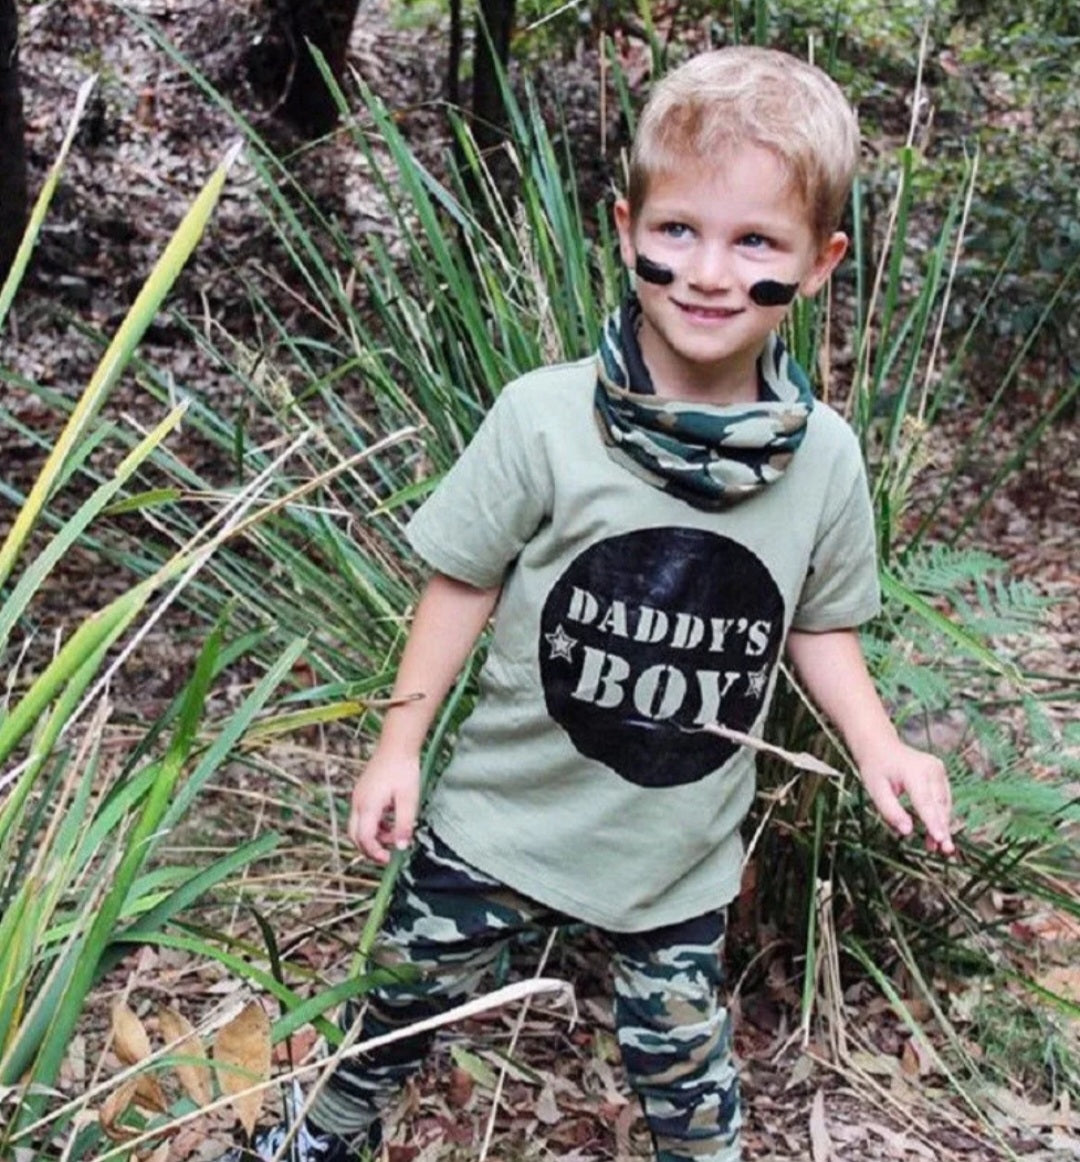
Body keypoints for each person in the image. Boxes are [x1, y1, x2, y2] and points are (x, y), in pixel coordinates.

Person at [234, 44, 954, 1162]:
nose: (710, 272)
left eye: (756, 240)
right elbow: (461, 576)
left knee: (687, 1080)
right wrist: (399, 741)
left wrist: (881, 748)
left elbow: (819, 622)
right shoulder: (545, 419)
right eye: (678, 231)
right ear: (626, 231)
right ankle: (311, 1142)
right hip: (498, 823)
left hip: (674, 851)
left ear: (820, 263)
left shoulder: (826, 462)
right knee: (392, 1018)